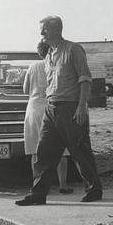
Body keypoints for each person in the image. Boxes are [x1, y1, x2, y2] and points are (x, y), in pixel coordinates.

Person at [16, 15, 103, 206]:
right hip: (51, 108)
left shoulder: (74, 50)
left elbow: (85, 79)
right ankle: (38, 194)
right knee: (44, 152)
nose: (41, 34)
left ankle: (94, 189)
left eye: (44, 30)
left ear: (56, 30)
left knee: (80, 152)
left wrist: (82, 107)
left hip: (71, 108)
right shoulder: (48, 55)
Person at [22, 40, 72, 194]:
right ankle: (62, 184)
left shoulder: (33, 66)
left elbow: (25, 90)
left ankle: (37, 185)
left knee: (35, 149)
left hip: (34, 107)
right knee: (60, 149)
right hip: (52, 106)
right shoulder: (57, 66)